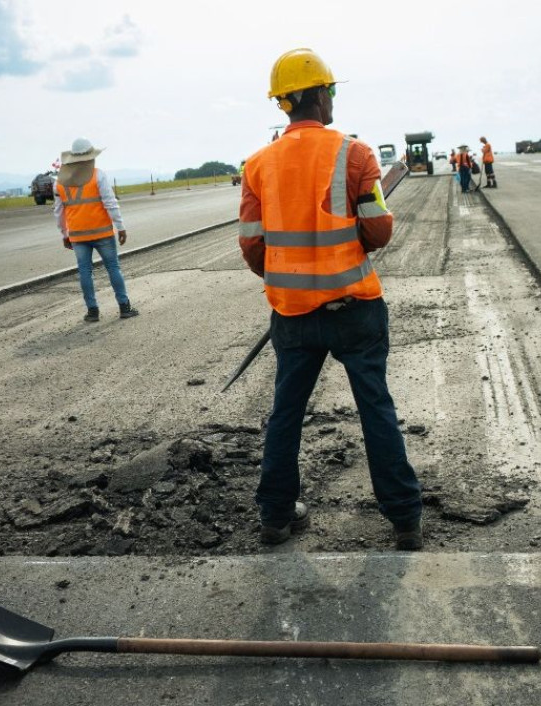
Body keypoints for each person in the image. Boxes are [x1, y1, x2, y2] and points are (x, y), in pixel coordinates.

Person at [238, 48, 423, 550]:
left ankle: (275, 517)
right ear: (319, 95)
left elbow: (252, 244)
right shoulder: (357, 154)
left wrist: (283, 278)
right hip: (355, 309)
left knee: (286, 413)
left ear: (285, 103)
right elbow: (379, 229)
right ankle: (405, 519)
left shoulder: (257, 165)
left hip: (292, 315)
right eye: (333, 90)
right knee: (375, 407)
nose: (334, 98)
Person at [54, 138, 139, 322]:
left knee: (84, 271)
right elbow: (110, 203)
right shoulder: (98, 175)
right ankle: (124, 307)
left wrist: (64, 234)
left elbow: (58, 212)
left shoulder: (59, 182)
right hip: (102, 233)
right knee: (113, 268)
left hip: (77, 235)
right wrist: (120, 226)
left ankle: (92, 311)